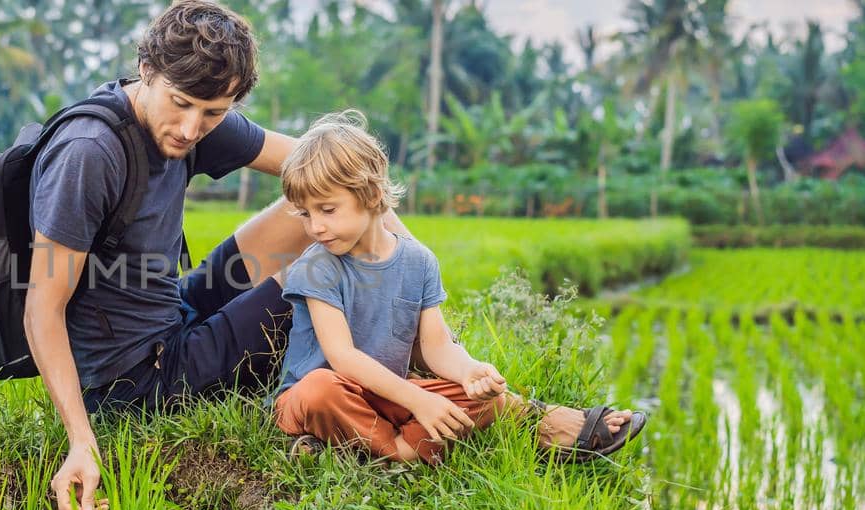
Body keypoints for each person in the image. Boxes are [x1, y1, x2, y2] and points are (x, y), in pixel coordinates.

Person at [25, 1, 637, 510]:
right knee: (317, 275)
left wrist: (407, 266)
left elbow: (333, 165)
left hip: (169, 304)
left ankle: (438, 344)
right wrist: (82, 439)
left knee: (318, 205)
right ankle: (522, 418)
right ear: (145, 70)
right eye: (180, 104)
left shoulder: (199, 116)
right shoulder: (90, 154)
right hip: (136, 374)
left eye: (212, 114)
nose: (190, 130)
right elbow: (42, 311)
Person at [270, 110, 648, 465]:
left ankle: (368, 445)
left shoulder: (419, 261)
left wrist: (469, 371)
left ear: (370, 195)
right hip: (323, 397)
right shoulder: (318, 266)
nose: (315, 226)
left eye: (327, 210)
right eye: (307, 213)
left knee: (487, 399)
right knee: (318, 388)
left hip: (385, 395)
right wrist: (418, 399)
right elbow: (343, 358)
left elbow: (436, 346)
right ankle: (400, 453)